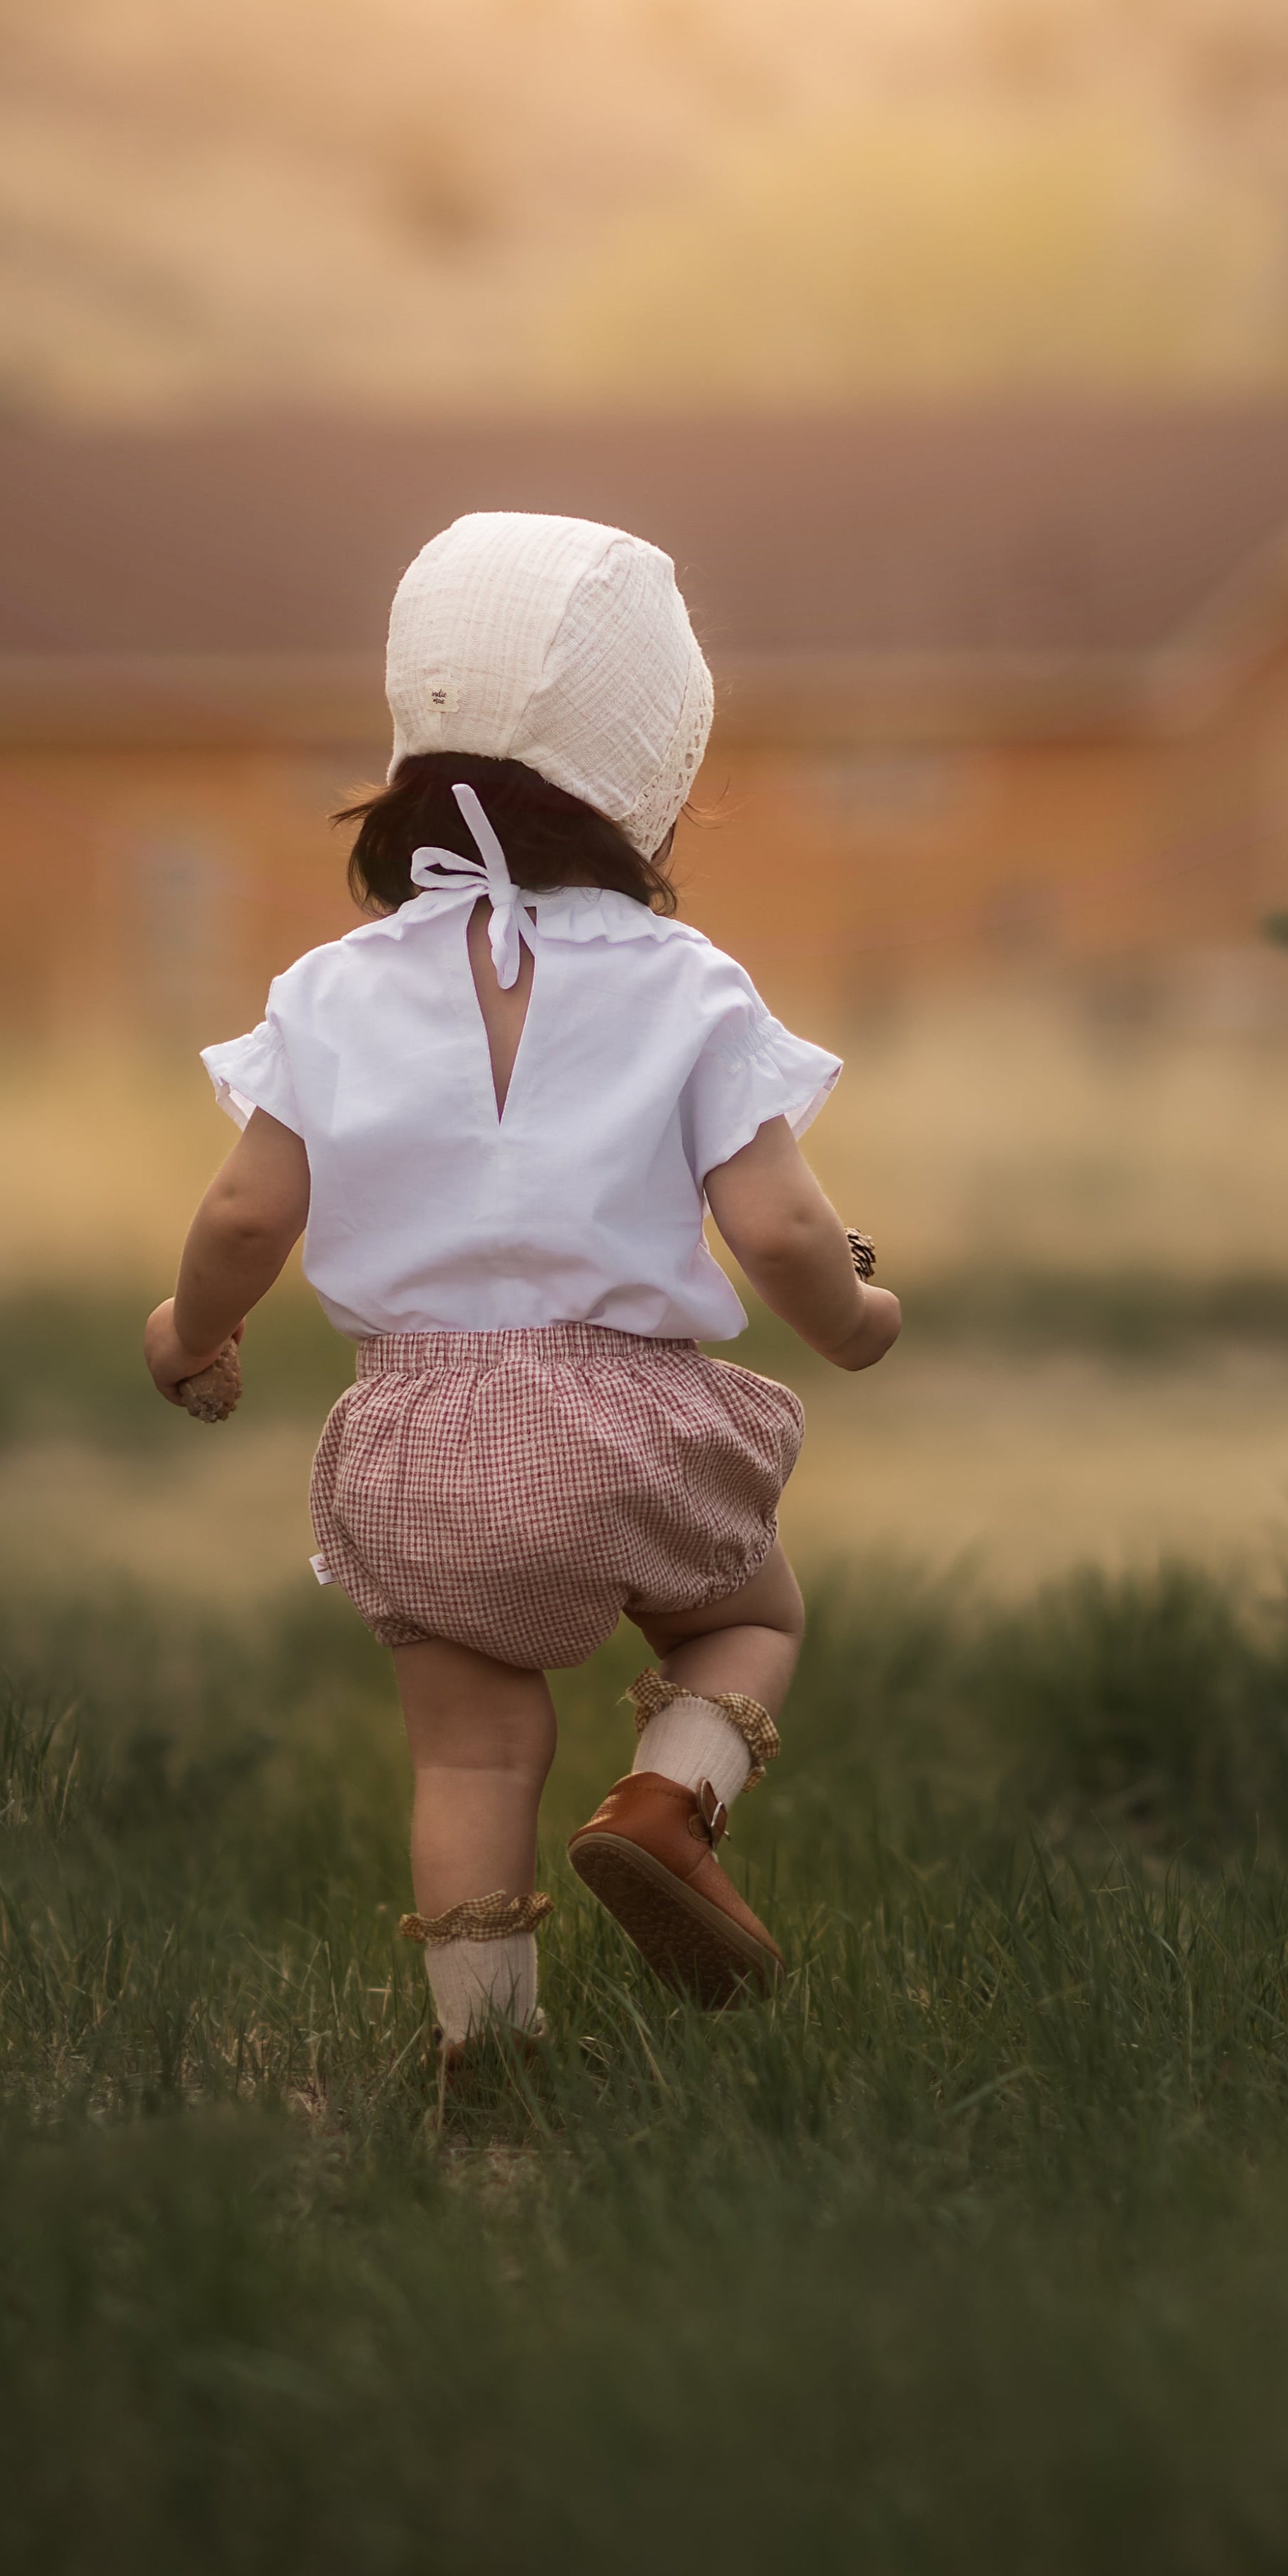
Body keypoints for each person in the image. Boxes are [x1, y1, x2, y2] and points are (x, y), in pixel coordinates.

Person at [145, 510, 900, 2068]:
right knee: (749, 1616)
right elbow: (774, 1232)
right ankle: (668, 1806)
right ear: (653, 777)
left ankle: (485, 2060)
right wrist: (859, 1318)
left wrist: (191, 1332)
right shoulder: (685, 983)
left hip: (420, 1434)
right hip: (624, 1420)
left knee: (472, 1763)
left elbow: (241, 1212)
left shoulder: (329, 988)